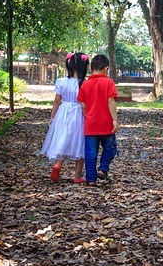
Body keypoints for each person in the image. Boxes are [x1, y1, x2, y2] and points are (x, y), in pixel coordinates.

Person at [41, 52, 88, 182]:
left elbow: (56, 100)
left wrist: (52, 117)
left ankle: (58, 164)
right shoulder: (85, 83)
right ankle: (77, 176)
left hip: (63, 112)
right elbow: (86, 103)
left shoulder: (61, 81)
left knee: (63, 137)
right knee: (80, 142)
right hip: (79, 113)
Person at [76, 53, 118, 185]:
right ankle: (103, 169)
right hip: (106, 124)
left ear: (91, 68)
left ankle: (91, 179)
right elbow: (111, 101)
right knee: (110, 148)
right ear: (106, 69)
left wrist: (88, 115)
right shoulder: (109, 82)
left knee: (90, 153)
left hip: (91, 124)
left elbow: (82, 105)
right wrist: (115, 120)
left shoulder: (85, 85)